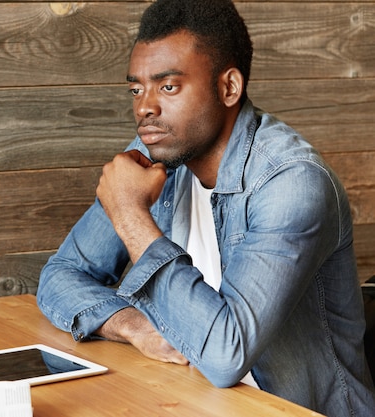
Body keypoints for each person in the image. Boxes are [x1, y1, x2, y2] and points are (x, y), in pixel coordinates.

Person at [36, 0, 375, 415]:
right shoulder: (155, 155)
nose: (144, 107)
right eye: (136, 88)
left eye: (168, 87)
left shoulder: (291, 182)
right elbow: (59, 276)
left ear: (228, 87)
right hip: (188, 400)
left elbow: (225, 354)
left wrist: (131, 215)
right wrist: (134, 326)